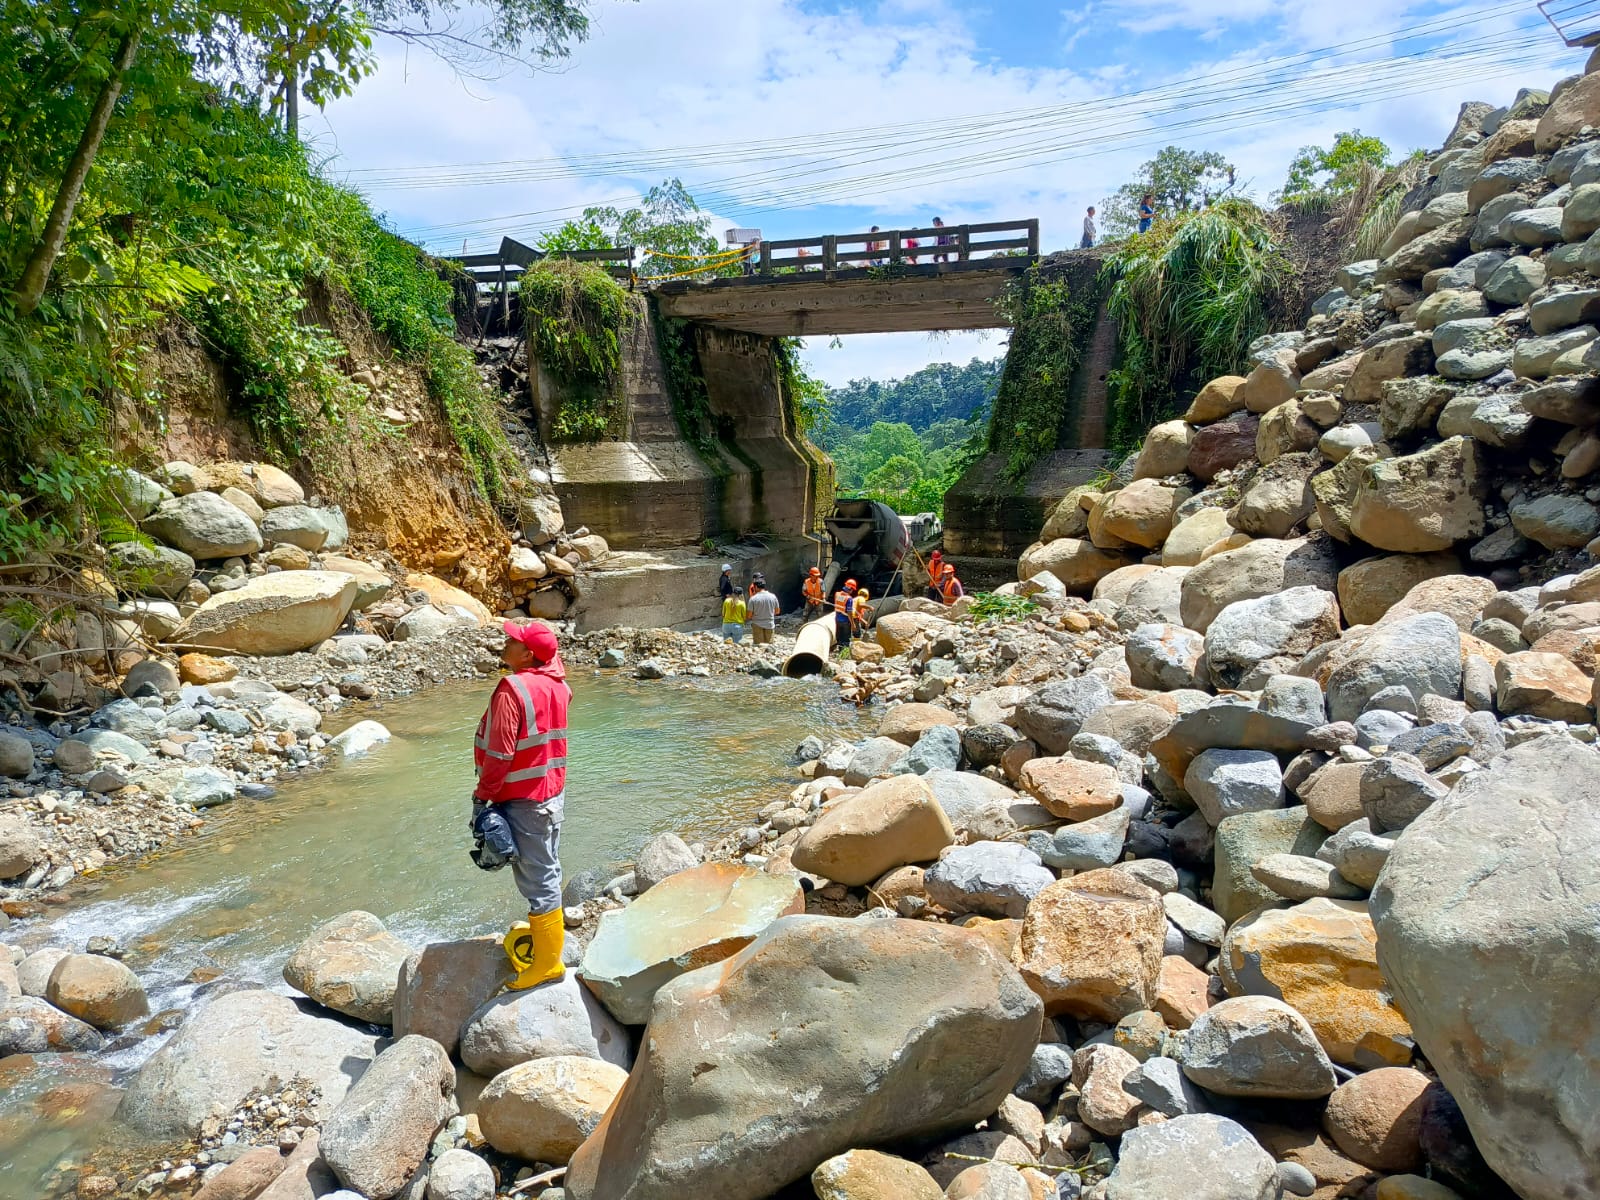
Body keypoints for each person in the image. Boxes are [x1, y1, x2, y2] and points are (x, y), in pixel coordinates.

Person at [474, 619, 571, 991]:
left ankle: (547, 965)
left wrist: (482, 796)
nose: (505, 643)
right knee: (547, 866)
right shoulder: (559, 686)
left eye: (512, 641)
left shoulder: (512, 689)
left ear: (528, 654)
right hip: (550, 794)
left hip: (522, 798)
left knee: (538, 878)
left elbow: (500, 753)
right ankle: (543, 938)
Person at [748, 577, 780, 645]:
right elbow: (777, 611)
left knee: (758, 647)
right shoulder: (773, 597)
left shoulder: (753, 599)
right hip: (769, 624)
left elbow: (749, 615)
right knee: (769, 647)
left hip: (757, 624)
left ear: (756, 587)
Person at [832, 578, 858, 648]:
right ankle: (844, 652)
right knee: (846, 639)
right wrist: (853, 624)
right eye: (852, 589)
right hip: (845, 621)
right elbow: (849, 612)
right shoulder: (849, 599)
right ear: (850, 589)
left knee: (839, 637)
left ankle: (840, 649)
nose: (852, 591)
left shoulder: (837, 594)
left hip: (837, 619)